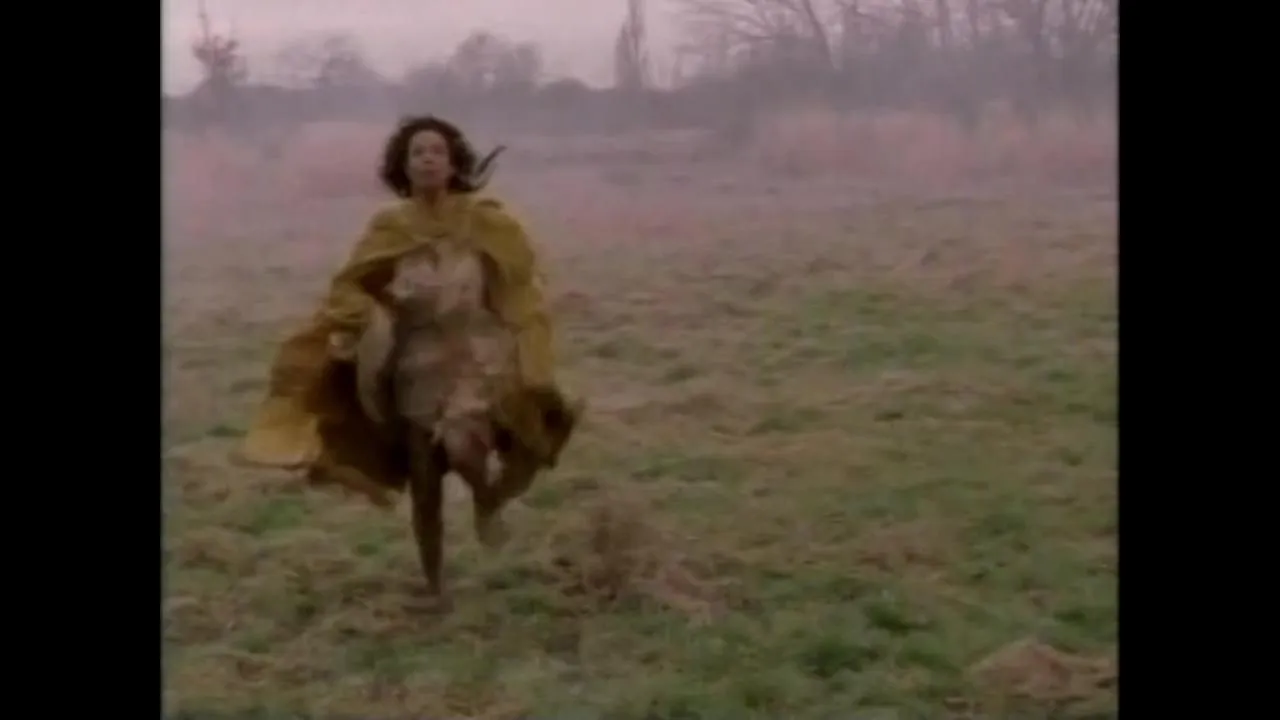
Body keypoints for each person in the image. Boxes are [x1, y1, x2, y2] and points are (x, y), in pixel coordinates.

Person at [238, 115, 573, 593]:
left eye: (438, 151)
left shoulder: (486, 221)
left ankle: (486, 500)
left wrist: (529, 354)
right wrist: (369, 317)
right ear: (404, 166)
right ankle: (434, 584)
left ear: (453, 164)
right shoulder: (390, 227)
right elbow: (350, 286)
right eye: (418, 152)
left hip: (476, 358)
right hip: (415, 364)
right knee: (425, 482)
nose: (428, 159)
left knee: (462, 444)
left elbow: (520, 288)